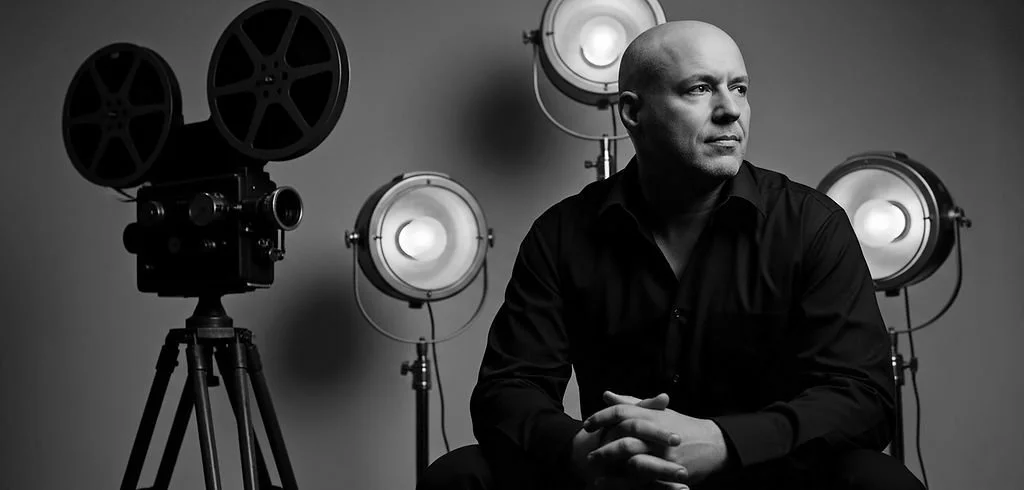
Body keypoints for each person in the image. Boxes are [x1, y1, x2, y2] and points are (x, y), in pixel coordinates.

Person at [418, 20, 925, 490]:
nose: (730, 110)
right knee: (460, 476)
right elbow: (508, 389)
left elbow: (863, 395)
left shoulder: (812, 225)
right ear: (633, 112)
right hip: (611, 477)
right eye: (700, 89)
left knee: (881, 482)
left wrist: (725, 443)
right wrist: (581, 449)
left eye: (739, 88)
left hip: (766, 477)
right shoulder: (562, 233)